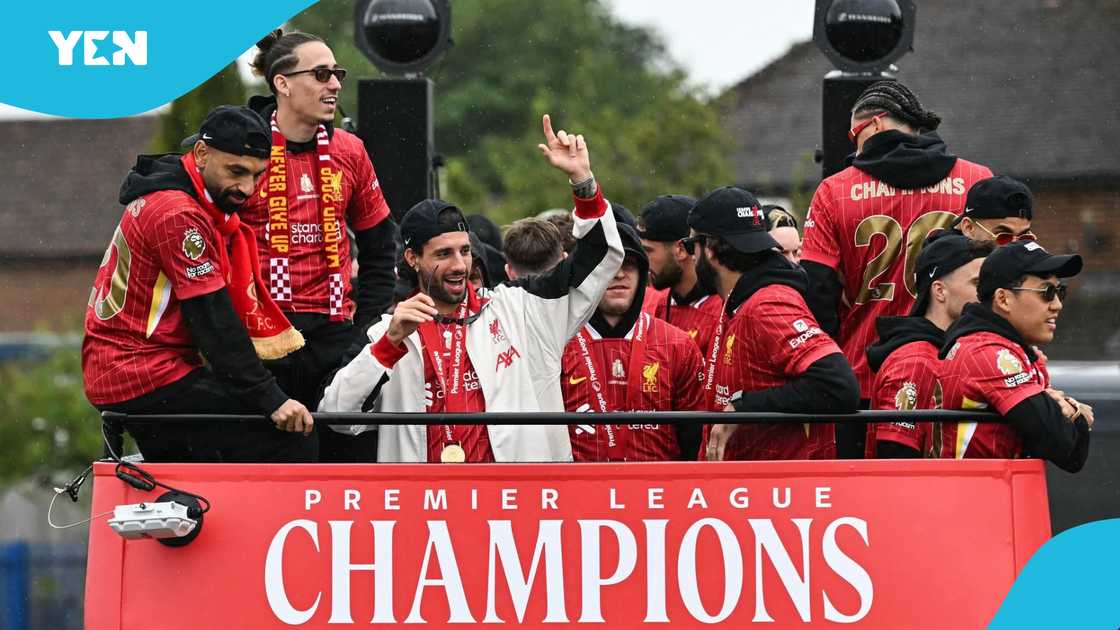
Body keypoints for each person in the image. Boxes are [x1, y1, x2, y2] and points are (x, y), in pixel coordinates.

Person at [319, 115, 624, 462]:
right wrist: (389, 345)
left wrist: (582, 182)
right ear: (412, 258)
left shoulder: (521, 309)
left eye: (465, 251)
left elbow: (601, 262)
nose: (460, 266)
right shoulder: (385, 332)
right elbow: (337, 416)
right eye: (443, 254)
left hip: (511, 505)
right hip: (427, 509)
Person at [83, 106, 316, 463]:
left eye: (257, 175)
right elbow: (214, 322)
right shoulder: (180, 214)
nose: (247, 189)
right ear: (202, 154)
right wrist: (272, 399)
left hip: (135, 365)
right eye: (236, 172)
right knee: (289, 439)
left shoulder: (179, 194)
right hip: (141, 371)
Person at [801, 80, 993, 457]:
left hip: (865, 379)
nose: (852, 149)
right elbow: (1002, 282)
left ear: (873, 125)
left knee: (865, 506)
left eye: (853, 136)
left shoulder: (834, 190)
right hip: (958, 377)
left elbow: (816, 293)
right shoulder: (976, 180)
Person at [234, 29, 398, 461]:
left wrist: (365, 331)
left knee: (347, 464)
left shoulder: (350, 151)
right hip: (261, 338)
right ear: (282, 84)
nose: (336, 85)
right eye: (322, 74)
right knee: (270, 469)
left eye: (337, 73)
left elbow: (382, 249)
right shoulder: (245, 151)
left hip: (333, 336)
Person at [689, 187, 860, 461]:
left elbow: (838, 386)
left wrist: (745, 408)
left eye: (690, 246)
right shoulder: (739, 301)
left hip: (781, 492)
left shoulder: (767, 304)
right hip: (749, 490)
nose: (690, 258)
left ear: (709, 249)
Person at [937, 241, 1092, 472]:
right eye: (1047, 292)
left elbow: (1071, 457)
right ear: (1003, 299)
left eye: (1060, 291)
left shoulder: (1005, 347)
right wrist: (1075, 412)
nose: (1057, 305)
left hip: (993, 496)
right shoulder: (988, 351)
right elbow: (1062, 445)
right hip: (971, 498)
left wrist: (1061, 414)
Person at [561, 223, 706, 461]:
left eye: (628, 265)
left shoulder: (677, 346)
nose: (619, 274)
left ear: (642, 273)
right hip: (579, 492)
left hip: (657, 493)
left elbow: (695, 441)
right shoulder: (557, 345)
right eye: (608, 265)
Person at [864, 233, 993, 458]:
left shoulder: (953, 351)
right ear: (940, 291)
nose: (989, 293)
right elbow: (894, 462)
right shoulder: (915, 362)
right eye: (978, 283)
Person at [637, 195, 724, 357]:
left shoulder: (723, 313)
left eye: (648, 251)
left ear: (681, 250)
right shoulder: (654, 305)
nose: (642, 261)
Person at [953, 175, 1036, 245]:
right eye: (1004, 238)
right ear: (969, 228)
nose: (1016, 248)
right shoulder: (943, 262)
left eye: (1025, 238)